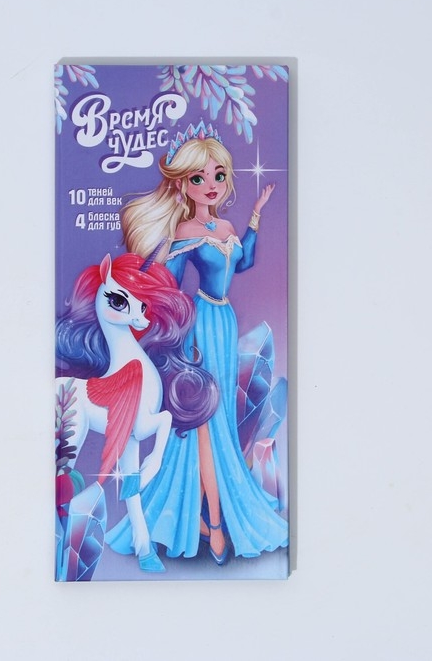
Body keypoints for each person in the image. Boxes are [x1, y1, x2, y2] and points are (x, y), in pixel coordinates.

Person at [106, 121, 288, 564]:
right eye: (198, 177)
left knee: (219, 419)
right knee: (204, 422)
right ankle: (214, 522)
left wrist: (255, 216)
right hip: (200, 327)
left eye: (218, 175)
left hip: (224, 321)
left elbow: (242, 263)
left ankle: (205, 518)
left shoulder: (224, 225)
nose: (210, 184)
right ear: (183, 184)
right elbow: (166, 281)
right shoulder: (184, 231)